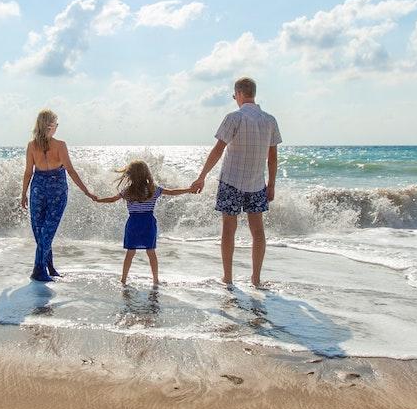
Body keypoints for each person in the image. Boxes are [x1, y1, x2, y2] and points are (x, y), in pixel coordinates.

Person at [190, 77, 281, 286]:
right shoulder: (270, 120)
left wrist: (202, 176)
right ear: (253, 94)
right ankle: (256, 279)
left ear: (239, 93)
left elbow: (218, 150)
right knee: (258, 232)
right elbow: (273, 158)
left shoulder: (234, 117)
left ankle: (228, 278)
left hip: (231, 181)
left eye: (234, 96)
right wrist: (272, 184)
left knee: (228, 231)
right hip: (257, 183)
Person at [21, 109, 94, 281]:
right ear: (50, 126)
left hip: (38, 188)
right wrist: (86, 191)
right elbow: (70, 170)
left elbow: (28, 173)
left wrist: (23, 193)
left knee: (42, 231)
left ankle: (49, 267)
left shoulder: (32, 145)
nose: (57, 127)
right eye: (56, 124)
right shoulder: (60, 145)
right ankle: (38, 269)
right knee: (46, 231)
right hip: (57, 190)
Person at [94, 160, 193, 285]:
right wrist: (189, 189)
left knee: (130, 252)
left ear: (129, 175)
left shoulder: (127, 191)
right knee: (151, 252)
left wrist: (98, 200)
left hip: (133, 224)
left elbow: (112, 199)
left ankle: (123, 279)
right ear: (147, 174)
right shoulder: (153, 189)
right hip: (148, 223)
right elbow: (172, 192)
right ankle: (155, 280)